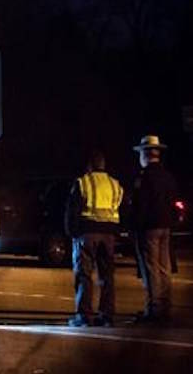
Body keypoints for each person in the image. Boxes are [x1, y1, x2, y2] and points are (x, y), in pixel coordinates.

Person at [65, 151, 123, 327]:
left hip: (87, 233)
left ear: (90, 166)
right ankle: (107, 315)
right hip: (109, 235)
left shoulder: (83, 182)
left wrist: (72, 232)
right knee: (107, 276)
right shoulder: (115, 184)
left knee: (84, 274)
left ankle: (84, 315)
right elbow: (121, 209)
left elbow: (72, 210)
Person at [130, 135, 177, 323]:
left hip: (149, 227)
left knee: (151, 268)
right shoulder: (167, 176)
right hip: (166, 226)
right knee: (164, 267)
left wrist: (135, 227)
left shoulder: (144, 177)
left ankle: (153, 309)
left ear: (146, 154)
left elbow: (140, 205)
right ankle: (165, 306)